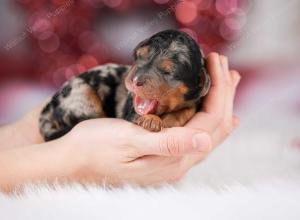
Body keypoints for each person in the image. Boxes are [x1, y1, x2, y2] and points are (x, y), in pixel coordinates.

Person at [0, 53, 240, 192]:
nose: (138, 78)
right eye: (141, 59)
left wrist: (25, 135)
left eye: (166, 72)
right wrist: (67, 162)